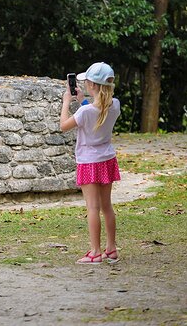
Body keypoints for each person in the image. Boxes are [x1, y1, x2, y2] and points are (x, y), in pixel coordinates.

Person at [60, 62, 121, 264]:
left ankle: (94, 252)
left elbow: (63, 126)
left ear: (93, 85)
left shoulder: (85, 113)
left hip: (88, 162)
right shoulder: (115, 106)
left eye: (86, 81)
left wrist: (67, 102)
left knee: (92, 208)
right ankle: (111, 249)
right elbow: (98, 113)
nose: (84, 83)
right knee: (107, 207)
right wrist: (83, 101)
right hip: (107, 159)